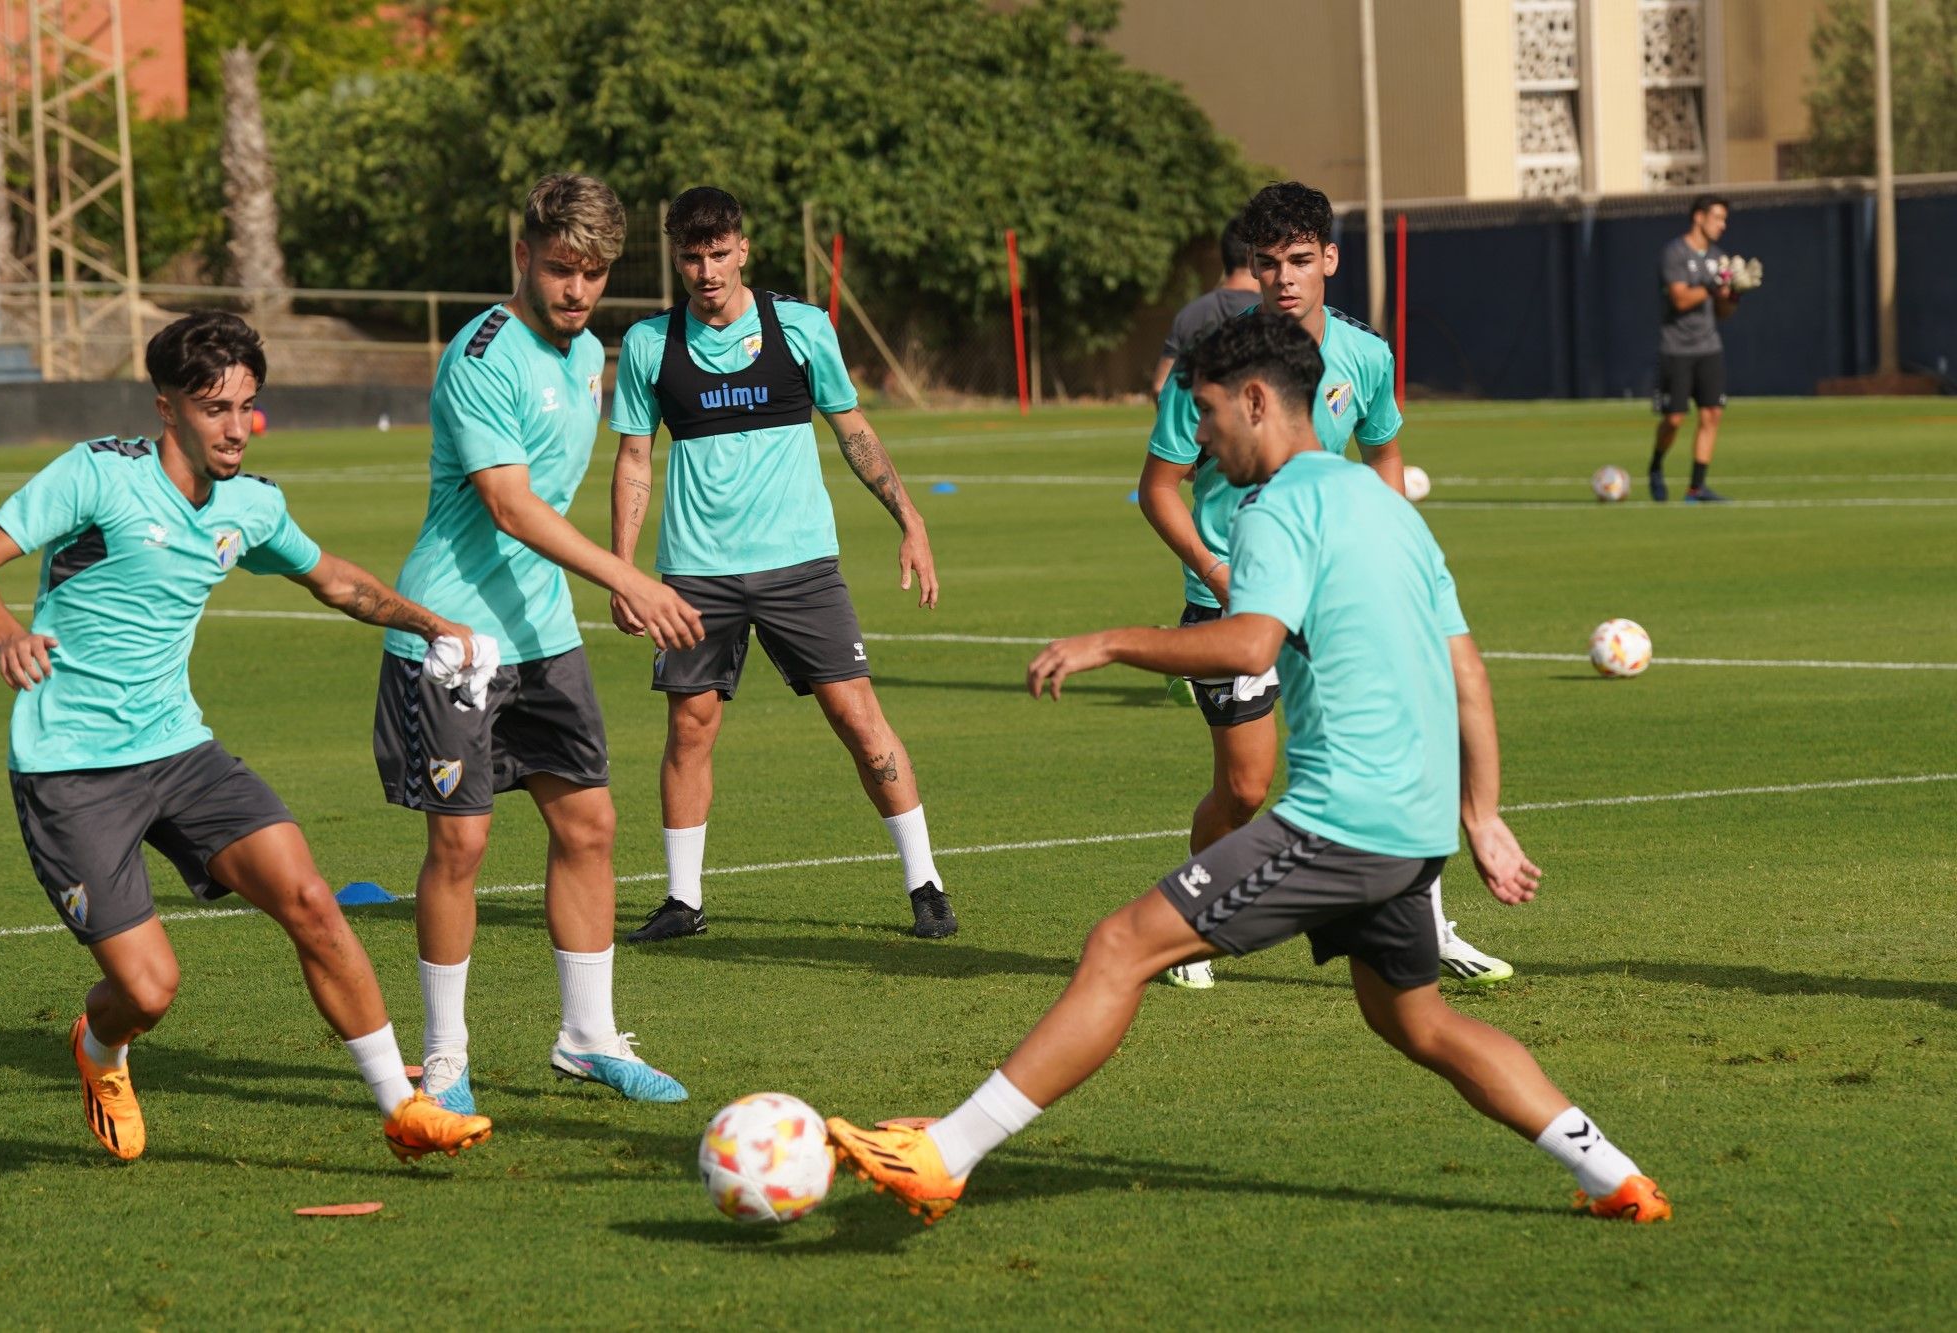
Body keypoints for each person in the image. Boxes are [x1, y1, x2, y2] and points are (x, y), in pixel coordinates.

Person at [826, 313, 1670, 1228]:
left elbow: (1248, 642)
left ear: (1259, 400)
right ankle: (1615, 1173)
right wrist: (1481, 814)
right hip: (1411, 817)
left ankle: (944, 1154)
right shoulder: (1390, 508)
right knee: (1416, 1021)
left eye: (1209, 411)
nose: (1201, 435)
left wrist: (1109, 638)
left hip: (1343, 819)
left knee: (1120, 945)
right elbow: (1466, 670)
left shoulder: (1276, 509)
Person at [0, 312, 493, 1163]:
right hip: (72, 769)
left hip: (180, 749)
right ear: (166, 407)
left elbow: (336, 582)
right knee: (148, 988)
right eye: (214, 408)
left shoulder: (252, 503)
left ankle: (404, 1106)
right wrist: (6, 635)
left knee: (312, 901)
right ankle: (99, 1049)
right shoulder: (98, 474)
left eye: (247, 405)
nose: (237, 428)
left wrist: (432, 624)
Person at [375, 174, 705, 1117]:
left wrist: (601, 582)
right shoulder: (481, 353)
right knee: (462, 844)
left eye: (594, 274)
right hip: (454, 638)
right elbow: (510, 504)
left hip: (543, 635)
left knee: (590, 827)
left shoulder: (590, 352)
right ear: (522, 256)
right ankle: (443, 1058)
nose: (576, 290)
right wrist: (629, 577)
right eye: (561, 269)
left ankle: (588, 1039)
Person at [1139, 180, 1509, 990]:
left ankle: (1432, 925)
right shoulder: (1214, 366)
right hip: (1234, 599)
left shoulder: (1365, 355)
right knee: (1244, 789)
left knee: (1389, 752)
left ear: (1330, 260)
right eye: (1267, 263)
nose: (1284, 279)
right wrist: (1214, 567)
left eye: (1301, 260)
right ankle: (1195, 919)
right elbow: (1159, 486)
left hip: (1336, 591)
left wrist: (1387, 536)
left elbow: (1383, 453)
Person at [609, 186, 955, 943]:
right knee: (690, 727)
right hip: (696, 574)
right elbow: (635, 458)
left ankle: (925, 882)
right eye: (692, 256)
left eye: (719, 254)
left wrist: (910, 517)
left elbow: (853, 430)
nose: (706, 270)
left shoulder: (800, 328)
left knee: (860, 721)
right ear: (678, 257)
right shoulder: (646, 345)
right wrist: (623, 569)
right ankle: (682, 900)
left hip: (801, 566)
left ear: (744, 248)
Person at [1651, 195, 1741, 503]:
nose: (1722, 225)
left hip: (1709, 347)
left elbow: (1722, 313)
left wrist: (1733, 295)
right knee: (1674, 418)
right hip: (1676, 349)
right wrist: (1713, 286)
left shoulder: (1719, 258)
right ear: (1699, 218)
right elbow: (1680, 299)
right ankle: (1656, 465)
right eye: (1718, 218)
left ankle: (1696, 488)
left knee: (1712, 414)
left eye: (1724, 219)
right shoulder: (1674, 253)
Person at [1149, 215, 1261, 394]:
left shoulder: (1191, 313)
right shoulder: (1271, 311)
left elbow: (1159, 386)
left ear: (1224, 257)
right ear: (1256, 257)